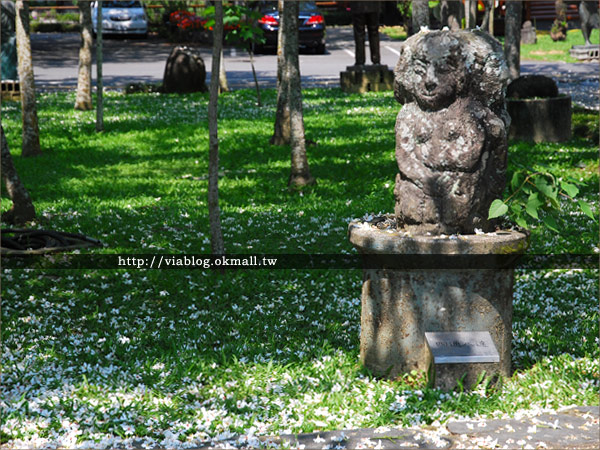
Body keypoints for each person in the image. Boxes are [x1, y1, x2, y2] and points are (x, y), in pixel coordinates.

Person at [350, 1, 381, 66]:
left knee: (359, 33)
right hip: (373, 6)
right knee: (374, 32)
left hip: (358, 6)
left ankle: (360, 60)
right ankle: (376, 59)